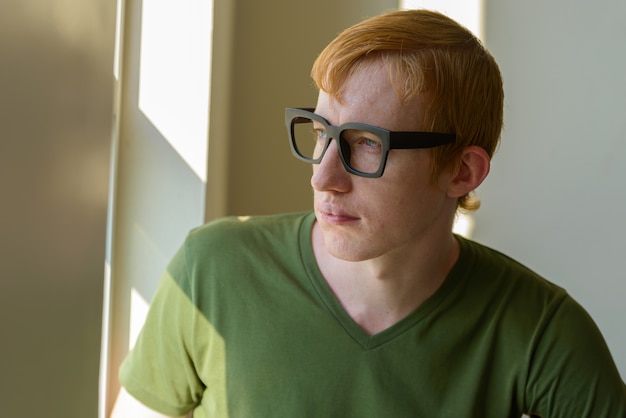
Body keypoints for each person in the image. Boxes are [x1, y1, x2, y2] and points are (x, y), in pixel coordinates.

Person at [111, 9, 626, 418]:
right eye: (320, 134)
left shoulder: (538, 329)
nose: (323, 177)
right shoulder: (213, 269)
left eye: (364, 144)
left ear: (463, 172)